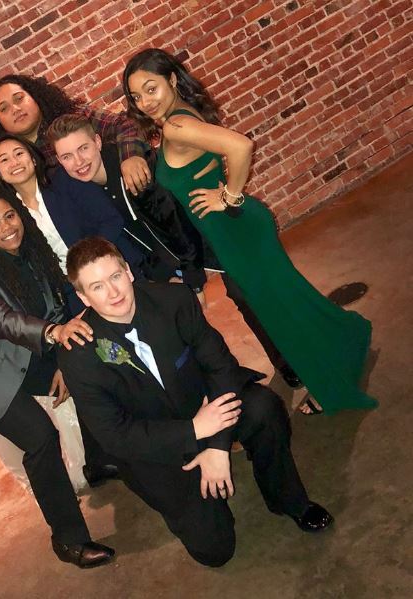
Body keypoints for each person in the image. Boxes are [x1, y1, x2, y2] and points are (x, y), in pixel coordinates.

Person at [122, 48, 377, 414]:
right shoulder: (177, 118)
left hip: (237, 231)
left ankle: (329, 385)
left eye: (151, 89)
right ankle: (346, 339)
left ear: (172, 80)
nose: (145, 102)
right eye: (136, 96)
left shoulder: (178, 126)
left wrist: (228, 196)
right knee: (289, 299)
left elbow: (241, 146)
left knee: (281, 312)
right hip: (234, 231)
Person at [57, 237, 333, 567]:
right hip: (157, 450)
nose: (113, 292)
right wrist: (193, 431)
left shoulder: (173, 300)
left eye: (115, 276)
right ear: (83, 297)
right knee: (215, 551)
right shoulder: (78, 355)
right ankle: (202, 510)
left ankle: (288, 498)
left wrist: (217, 446)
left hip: (206, 408)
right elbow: (116, 436)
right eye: (97, 287)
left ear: (128, 271)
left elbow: (221, 366)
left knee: (263, 407)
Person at [46, 112, 305, 389]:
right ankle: (228, 379)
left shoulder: (130, 167)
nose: (79, 162)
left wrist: (194, 280)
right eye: (67, 156)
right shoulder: (81, 190)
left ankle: (293, 360)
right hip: (166, 259)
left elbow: (176, 223)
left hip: (202, 235)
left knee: (246, 294)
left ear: (98, 142)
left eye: (83, 148)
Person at [0, 186, 116, 568]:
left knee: (86, 371)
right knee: (40, 438)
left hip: (22, 354)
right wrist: (54, 334)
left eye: (10, 216)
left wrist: (65, 359)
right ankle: (68, 540)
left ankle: (98, 462)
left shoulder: (33, 251)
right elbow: (1, 319)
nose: (6, 229)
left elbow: (55, 308)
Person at [0, 133, 145, 311]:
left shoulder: (64, 180)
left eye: (19, 153)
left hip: (112, 269)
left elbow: (111, 220)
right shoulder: (12, 214)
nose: (14, 162)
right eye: (4, 160)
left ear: (32, 159)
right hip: (72, 293)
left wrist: (88, 265)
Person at [0, 73, 151, 194]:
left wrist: (131, 156)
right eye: (4, 108)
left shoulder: (72, 120)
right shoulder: (4, 160)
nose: (15, 109)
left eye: (19, 99)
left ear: (34, 96)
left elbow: (124, 124)